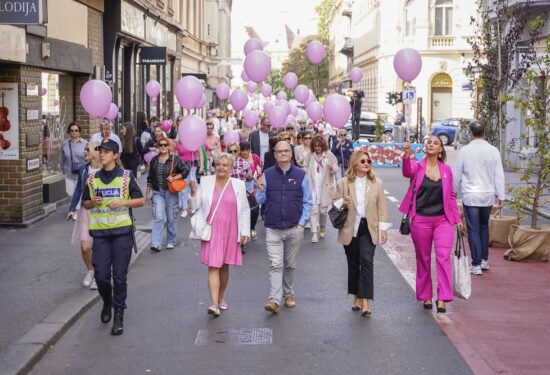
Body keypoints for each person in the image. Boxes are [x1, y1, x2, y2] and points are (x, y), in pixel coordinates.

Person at [82, 139, 145, 335]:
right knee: (100, 276)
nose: (102, 155)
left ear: (115, 156)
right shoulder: (92, 178)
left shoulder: (126, 176)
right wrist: (92, 202)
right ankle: (107, 302)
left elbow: (141, 200)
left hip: (122, 233)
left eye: (107, 152)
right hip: (100, 234)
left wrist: (123, 202)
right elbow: (85, 203)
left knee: (119, 276)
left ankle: (119, 315)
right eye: (101, 151)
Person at [399, 136, 462, 314]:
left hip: (443, 220)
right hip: (421, 220)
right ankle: (426, 295)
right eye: (428, 142)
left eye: (435, 143)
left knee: (443, 257)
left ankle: (442, 297)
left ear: (441, 149)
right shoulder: (418, 166)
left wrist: (457, 220)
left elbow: (451, 196)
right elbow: (406, 172)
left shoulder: (447, 170)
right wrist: (406, 154)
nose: (431, 144)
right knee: (423, 259)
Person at [189, 154, 250, 317]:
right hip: (212, 230)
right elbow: (196, 206)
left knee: (224, 266)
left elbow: (244, 209)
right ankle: (214, 304)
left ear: (231, 168)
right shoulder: (206, 181)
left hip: (231, 230)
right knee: (214, 266)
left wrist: (245, 231)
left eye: (225, 165)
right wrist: (194, 193)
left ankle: (221, 297)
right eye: (218, 164)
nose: (221, 167)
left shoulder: (239, 185)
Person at [256, 141, 313, 314]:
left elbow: (308, 201)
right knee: (275, 264)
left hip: (294, 227)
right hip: (273, 227)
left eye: (286, 151)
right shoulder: (266, 174)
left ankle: (288, 293)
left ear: (291, 153)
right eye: (279, 151)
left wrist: (302, 224)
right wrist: (259, 189)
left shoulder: (301, 175)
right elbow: (260, 201)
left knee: (290, 264)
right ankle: (274, 299)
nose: (282, 154)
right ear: (274, 154)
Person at [334, 150, 391, 317]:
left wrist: (383, 229)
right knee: (353, 265)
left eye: (369, 161)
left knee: (366, 262)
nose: (367, 164)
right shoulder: (343, 183)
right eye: (363, 161)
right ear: (354, 164)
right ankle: (356, 296)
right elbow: (334, 205)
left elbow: (382, 207)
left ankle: (365, 300)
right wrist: (342, 202)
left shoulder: (377, 183)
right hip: (350, 228)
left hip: (368, 228)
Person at [453, 120, 505, 275]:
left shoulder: (465, 150)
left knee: (473, 229)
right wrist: (501, 195)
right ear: (484, 133)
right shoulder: (493, 150)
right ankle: (483, 260)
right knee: (484, 227)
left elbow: (457, 173)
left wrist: (453, 192)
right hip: (488, 194)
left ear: (470, 133)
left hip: (471, 194)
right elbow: (499, 174)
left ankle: (475, 264)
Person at [67, 141, 101, 290]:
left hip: (101, 212)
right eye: (85, 149)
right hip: (85, 211)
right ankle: (91, 271)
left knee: (99, 247)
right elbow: (78, 191)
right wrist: (72, 208)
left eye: (88, 150)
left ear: (96, 152)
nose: (85, 152)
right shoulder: (83, 170)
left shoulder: (105, 170)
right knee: (85, 247)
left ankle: (99, 276)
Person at [146, 137, 189, 252]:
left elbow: (185, 171)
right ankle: (156, 243)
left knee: (171, 217)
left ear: (169, 147)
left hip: (171, 191)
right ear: (158, 147)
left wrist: (174, 177)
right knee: (158, 217)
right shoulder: (154, 160)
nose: (163, 147)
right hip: (157, 192)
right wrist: (148, 192)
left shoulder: (175, 159)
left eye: (166, 145)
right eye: (161, 145)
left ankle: (171, 241)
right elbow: (150, 177)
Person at [305, 136, 338, 242]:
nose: (317, 148)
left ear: (322, 145)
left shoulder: (329, 155)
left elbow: (336, 168)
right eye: (315, 146)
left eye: (319, 146)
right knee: (313, 210)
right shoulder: (309, 156)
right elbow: (305, 167)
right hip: (312, 186)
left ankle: (322, 226)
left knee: (323, 211)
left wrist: (332, 168)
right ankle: (314, 233)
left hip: (325, 187)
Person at [236, 141, 262, 240]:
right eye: (243, 150)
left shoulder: (255, 157)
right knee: (242, 211)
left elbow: (260, 170)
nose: (245, 152)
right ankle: (243, 232)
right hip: (242, 189)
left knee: (255, 209)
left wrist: (259, 179)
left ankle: (252, 227)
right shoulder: (237, 160)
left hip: (254, 187)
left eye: (247, 150)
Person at [177, 141, 205, 218]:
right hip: (182, 167)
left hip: (193, 166)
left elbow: (201, 153)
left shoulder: (194, 139)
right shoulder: (179, 143)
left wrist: (202, 166)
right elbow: (176, 155)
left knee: (193, 187)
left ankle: (195, 205)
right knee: (183, 188)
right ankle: (184, 209)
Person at [61, 122, 87, 197]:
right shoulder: (65, 144)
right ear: (69, 132)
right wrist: (64, 170)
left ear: (79, 132)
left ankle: (78, 208)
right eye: (72, 130)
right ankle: (74, 208)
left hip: (81, 175)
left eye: (76, 130)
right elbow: (62, 159)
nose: (74, 132)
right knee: (71, 195)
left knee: (81, 195)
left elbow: (89, 159)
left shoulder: (85, 143)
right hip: (69, 175)